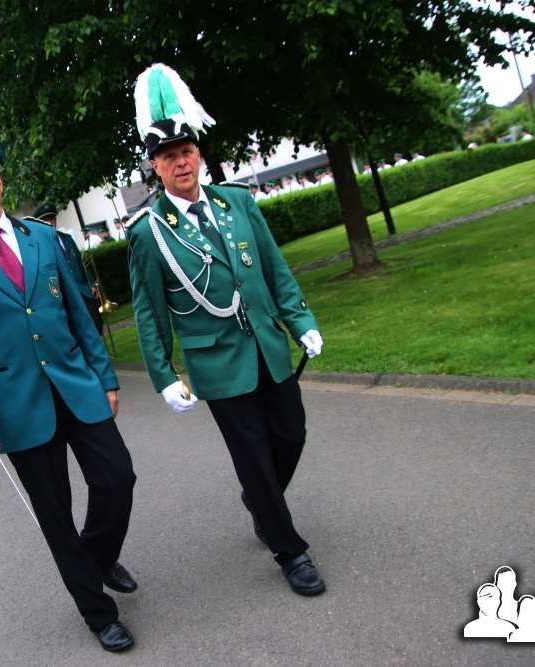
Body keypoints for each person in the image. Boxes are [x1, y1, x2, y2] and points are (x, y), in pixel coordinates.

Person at [0, 129, 138, 652]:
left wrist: (106, 378)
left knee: (118, 478)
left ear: (1, 182)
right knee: (55, 514)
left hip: (75, 386)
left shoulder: (43, 239)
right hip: (14, 405)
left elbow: (78, 315)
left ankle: (98, 556)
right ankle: (98, 613)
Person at [127, 63, 326, 597]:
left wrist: (300, 319)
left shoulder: (236, 202)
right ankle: (290, 551)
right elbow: (149, 311)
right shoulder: (149, 232)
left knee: (292, 434)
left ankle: (260, 500)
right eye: (169, 156)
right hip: (216, 360)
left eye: (187, 151)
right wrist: (163, 374)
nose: (181, 161)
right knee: (253, 455)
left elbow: (274, 269)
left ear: (199, 153)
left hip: (268, 345)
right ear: (155, 166)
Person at [28, 202, 104, 334]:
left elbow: (81, 263)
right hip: (65, 296)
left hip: (83, 291)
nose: (51, 222)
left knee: (97, 324)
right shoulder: (40, 245)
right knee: (77, 331)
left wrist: (92, 283)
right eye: (46, 220)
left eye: (52, 219)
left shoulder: (67, 238)